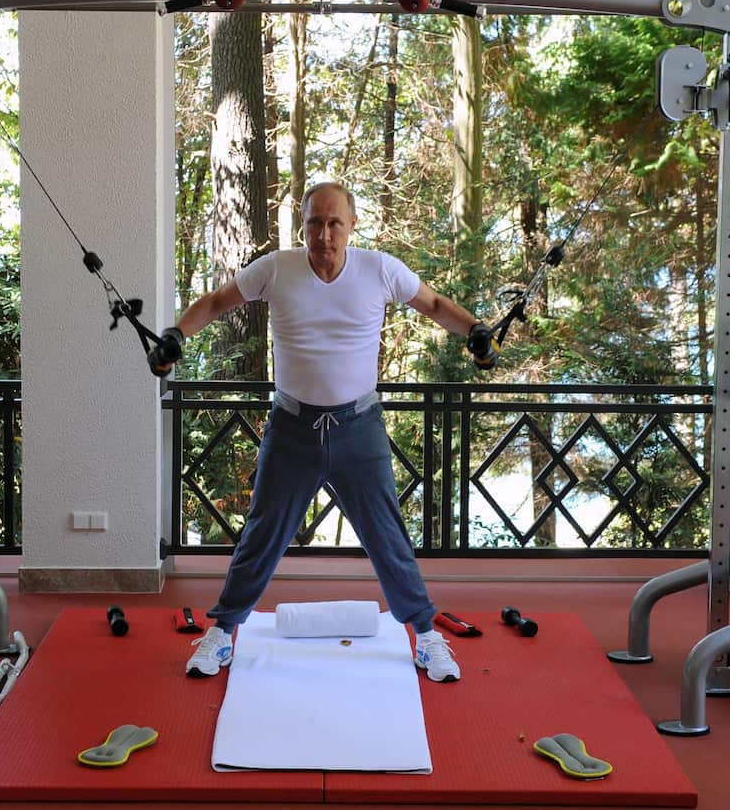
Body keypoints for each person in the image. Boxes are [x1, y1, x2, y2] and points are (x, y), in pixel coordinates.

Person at [148, 181, 499, 683]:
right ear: (303, 226)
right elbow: (216, 301)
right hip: (292, 427)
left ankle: (425, 636)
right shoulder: (277, 268)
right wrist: (175, 335)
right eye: (315, 222)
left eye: (335, 223)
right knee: (262, 532)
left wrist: (477, 333)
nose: (325, 234)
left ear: (352, 225)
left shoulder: (379, 269)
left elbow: (437, 304)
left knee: (387, 536)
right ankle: (223, 632)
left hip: (360, 428)